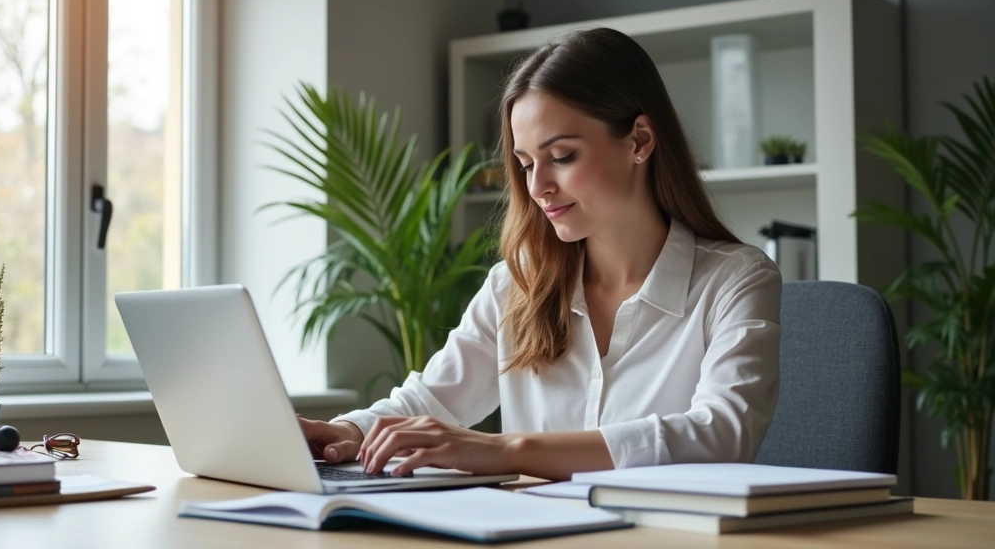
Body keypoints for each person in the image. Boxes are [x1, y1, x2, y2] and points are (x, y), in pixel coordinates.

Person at [298, 27, 782, 482]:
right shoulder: (517, 283)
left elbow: (721, 435)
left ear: (639, 141)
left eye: (562, 156)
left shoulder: (736, 280)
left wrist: (505, 451)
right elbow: (435, 398)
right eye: (526, 163)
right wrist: (350, 432)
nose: (538, 187)